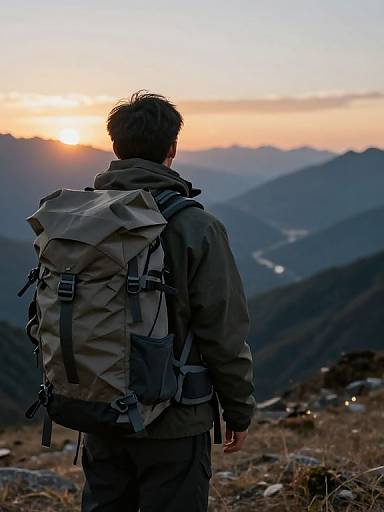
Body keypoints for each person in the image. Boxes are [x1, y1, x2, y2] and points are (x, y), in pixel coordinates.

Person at [80, 91, 255, 512]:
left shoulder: (81, 218)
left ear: (115, 146)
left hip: (98, 408)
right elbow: (223, 329)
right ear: (172, 148)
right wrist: (239, 409)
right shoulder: (196, 226)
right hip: (174, 420)